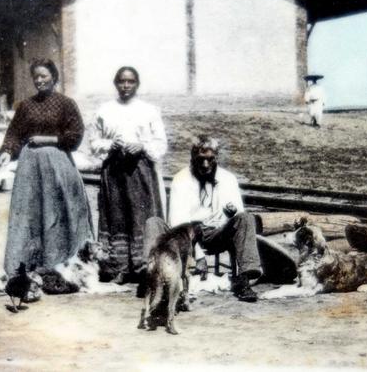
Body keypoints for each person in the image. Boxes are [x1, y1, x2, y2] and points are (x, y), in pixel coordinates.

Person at [0, 59, 93, 276]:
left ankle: (60, 261)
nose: (40, 81)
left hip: (58, 166)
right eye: (36, 77)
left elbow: (75, 135)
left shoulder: (66, 104)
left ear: (54, 77)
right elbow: (14, 133)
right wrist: (7, 151)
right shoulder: (25, 106)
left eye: (44, 76)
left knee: (58, 212)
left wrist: (47, 140)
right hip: (30, 168)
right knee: (30, 213)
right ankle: (28, 263)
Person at [143, 135, 262, 303]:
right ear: (192, 157)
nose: (205, 165)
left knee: (246, 218)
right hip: (188, 235)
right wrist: (198, 256)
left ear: (217, 158)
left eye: (210, 159)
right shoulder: (181, 179)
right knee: (153, 223)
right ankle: (153, 277)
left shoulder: (228, 179)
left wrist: (230, 214)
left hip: (217, 232)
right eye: (200, 160)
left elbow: (238, 216)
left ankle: (244, 280)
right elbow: (179, 224)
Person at [89, 66, 167, 283]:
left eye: (130, 81)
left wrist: (141, 146)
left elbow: (161, 143)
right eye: (122, 81)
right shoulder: (104, 110)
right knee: (116, 216)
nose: (126, 86)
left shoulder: (149, 110)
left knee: (141, 216)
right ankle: (118, 268)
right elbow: (93, 142)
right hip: (113, 171)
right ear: (116, 83)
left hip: (140, 171)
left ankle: (144, 267)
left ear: (137, 84)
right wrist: (110, 144)